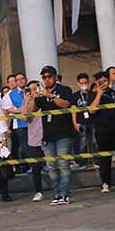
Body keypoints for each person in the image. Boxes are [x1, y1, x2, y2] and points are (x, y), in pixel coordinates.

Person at [26, 65, 75, 205]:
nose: (46, 80)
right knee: (52, 166)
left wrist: (51, 96)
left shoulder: (64, 90)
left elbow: (66, 104)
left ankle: (65, 194)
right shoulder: (41, 94)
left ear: (55, 77)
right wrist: (34, 98)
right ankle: (56, 194)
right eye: (44, 77)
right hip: (48, 135)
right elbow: (32, 111)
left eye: (49, 77)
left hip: (64, 133)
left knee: (63, 164)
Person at [24, 81, 46, 201]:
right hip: (34, 139)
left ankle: (59, 190)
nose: (33, 91)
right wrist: (27, 100)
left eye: (35, 88)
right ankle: (38, 191)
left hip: (48, 137)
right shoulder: (28, 102)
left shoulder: (45, 100)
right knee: (36, 167)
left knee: (54, 165)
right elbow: (25, 118)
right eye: (31, 89)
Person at [71, 73, 95, 168]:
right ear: (78, 83)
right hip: (81, 121)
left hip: (92, 121)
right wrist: (75, 122)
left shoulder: (92, 94)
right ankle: (82, 163)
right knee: (82, 142)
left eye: (85, 82)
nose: (84, 85)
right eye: (82, 83)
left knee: (94, 141)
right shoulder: (75, 96)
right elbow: (73, 110)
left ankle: (96, 161)